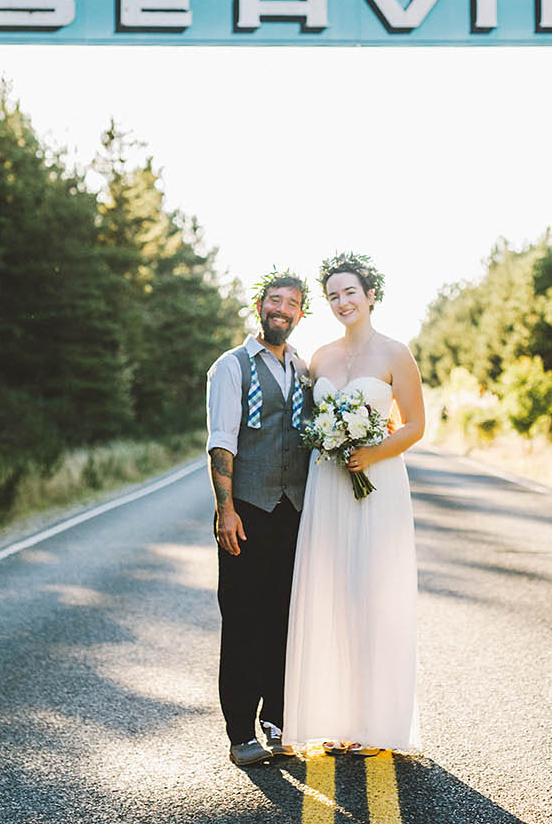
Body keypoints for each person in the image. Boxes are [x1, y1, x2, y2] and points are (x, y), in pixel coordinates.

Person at [284, 252, 425, 755]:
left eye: (350, 293)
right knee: (334, 596)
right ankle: (337, 718)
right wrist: (330, 439)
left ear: (370, 296)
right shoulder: (319, 357)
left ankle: (376, 724)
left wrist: (371, 452)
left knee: (373, 596)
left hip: (377, 483)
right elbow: (305, 421)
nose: (342, 302)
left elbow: (415, 425)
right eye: (333, 296)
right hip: (329, 484)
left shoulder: (395, 353)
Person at [205, 271, 315, 767]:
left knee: (285, 618)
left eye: (292, 303)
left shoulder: (304, 369)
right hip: (248, 510)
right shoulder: (231, 367)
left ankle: (277, 718)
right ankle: (239, 732)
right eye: (275, 300)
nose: (282, 309)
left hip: (296, 512)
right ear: (260, 306)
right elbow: (221, 442)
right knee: (244, 620)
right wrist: (225, 509)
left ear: (300, 313)